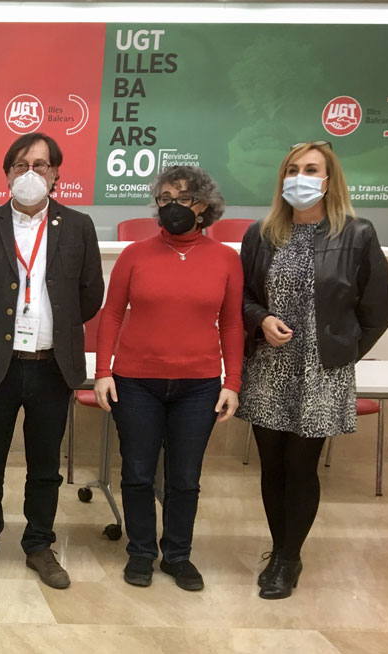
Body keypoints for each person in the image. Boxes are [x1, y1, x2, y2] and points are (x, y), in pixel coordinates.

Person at [237, 142, 388, 599]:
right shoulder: (261, 234)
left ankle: (289, 558)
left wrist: (341, 353)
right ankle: (278, 548)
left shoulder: (357, 234)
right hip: (269, 367)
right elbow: (242, 296)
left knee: (301, 466)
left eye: (311, 169)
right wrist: (260, 319)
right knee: (272, 465)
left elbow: (379, 308)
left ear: (329, 180)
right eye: (292, 169)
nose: (300, 177)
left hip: (322, 374)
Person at [0, 133, 103, 589]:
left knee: (45, 466)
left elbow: (90, 296)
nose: (30, 173)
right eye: (20, 165)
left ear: (56, 174)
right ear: (7, 175)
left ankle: (39, 544)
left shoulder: (78, 227)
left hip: (53, 366)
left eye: (40, 165)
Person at [92, 166, 243, 591]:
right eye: (165, 198)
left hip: (199, 385)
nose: (173, 205)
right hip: (136, 381)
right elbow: (111, 315)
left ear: (204, 205)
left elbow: (232, 324)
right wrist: (103, 371)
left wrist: (232, 381)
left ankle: (178, 555)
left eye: (183, 197)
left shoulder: (226, 259)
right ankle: (141, 552)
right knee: (138, 473)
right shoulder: (134, 255)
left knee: (185, 478)